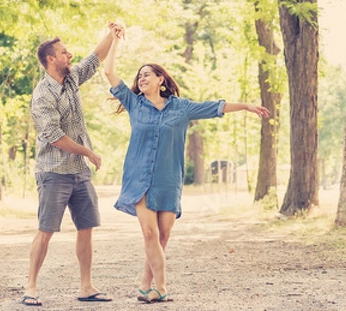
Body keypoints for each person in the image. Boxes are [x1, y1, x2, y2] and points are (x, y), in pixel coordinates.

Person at [103, 33, 269, 304]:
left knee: (163, 236)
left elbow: (215, 107)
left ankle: (146, 285)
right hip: (139, 178)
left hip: (168, 180)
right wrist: (115, 39)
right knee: (149, 233)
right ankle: (163, 287)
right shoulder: (134, 103)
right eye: (139, 76)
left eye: (147, 74)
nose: (141, 78)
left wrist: (246, 106)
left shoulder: (181, 108)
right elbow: (109, 71)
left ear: (161, 80)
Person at [23, 23, 124, 307]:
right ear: (50, 60)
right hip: (53, 171)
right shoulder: (42, 95)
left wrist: (112, 34)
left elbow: (95, 59)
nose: (70, 55)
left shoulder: (71, 78)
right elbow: (55, 138)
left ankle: (86, 286)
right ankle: (30, 286)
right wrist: (88, 153)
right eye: (64, 52)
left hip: (78, 172)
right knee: (46, 230)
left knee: (86, 226)